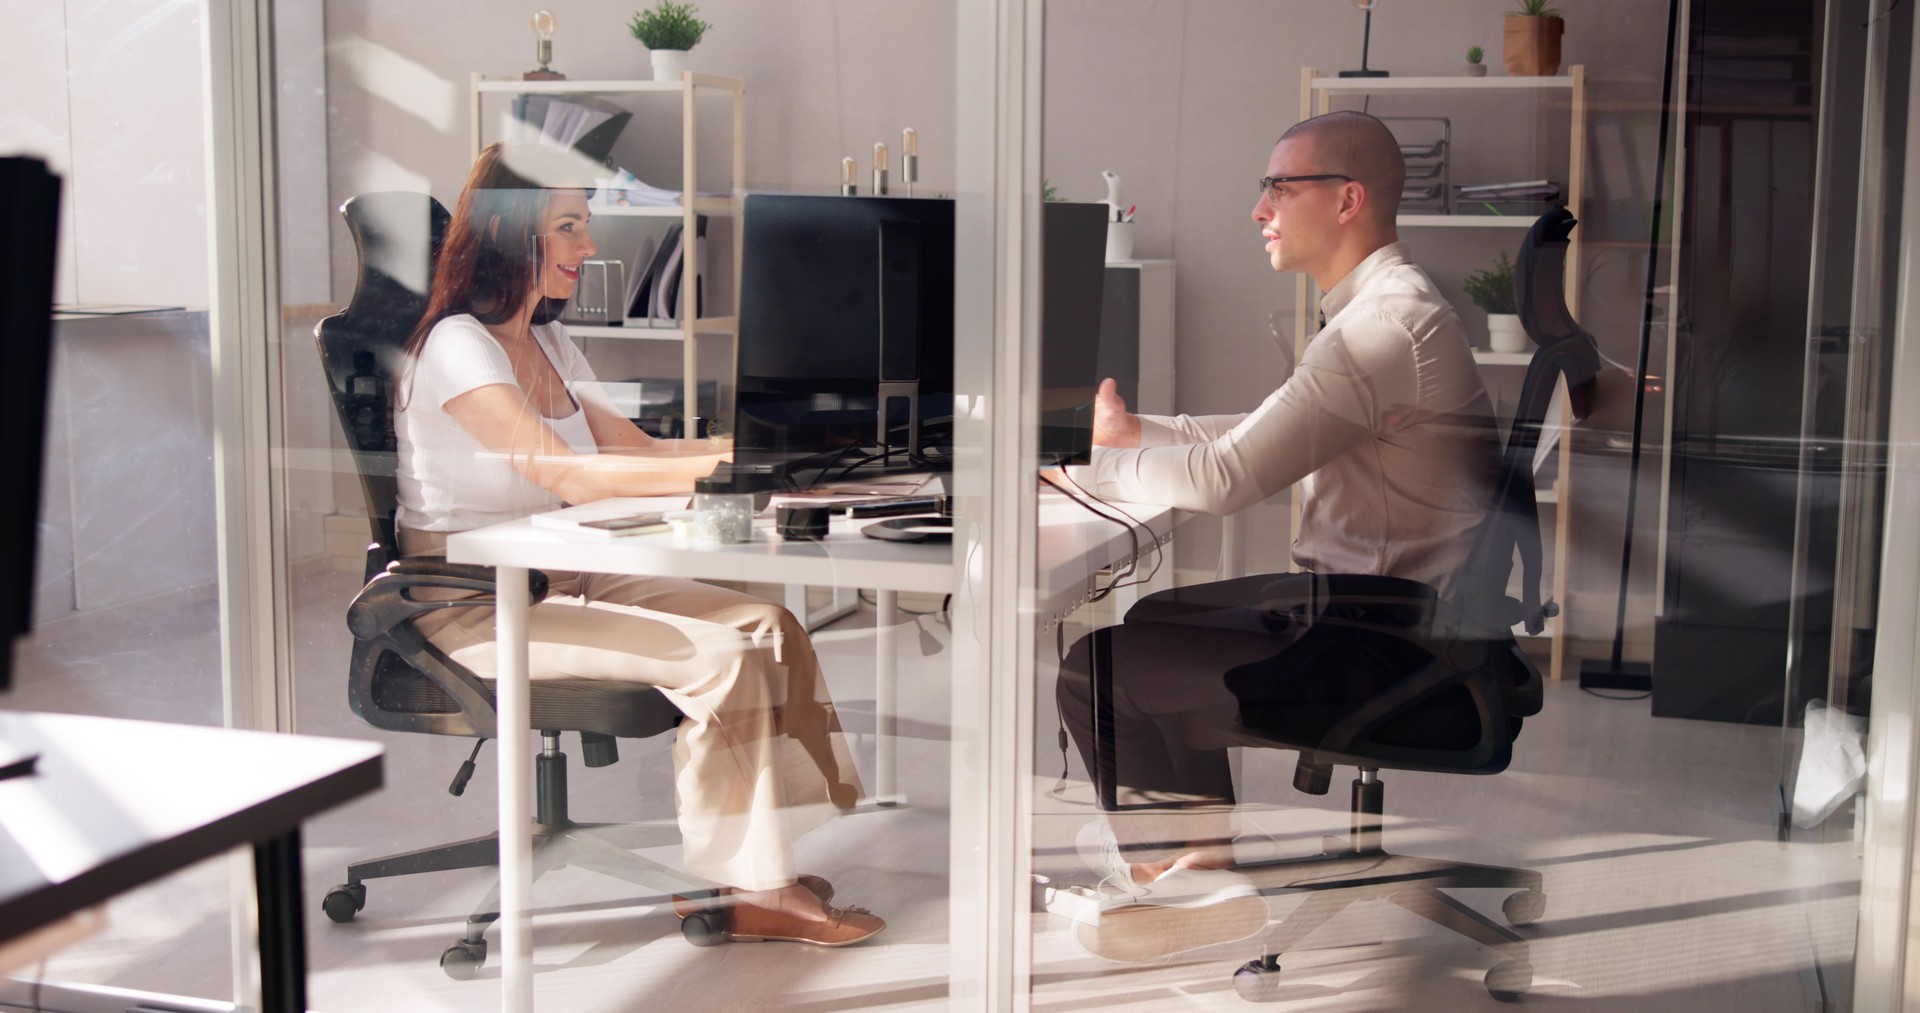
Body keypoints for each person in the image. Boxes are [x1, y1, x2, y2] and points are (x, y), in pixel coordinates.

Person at [394, 142, 883, 947]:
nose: (588, 248)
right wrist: (739, 474)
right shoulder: (458, 345)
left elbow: (643, 451)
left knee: (768, 625)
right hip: (473, 606)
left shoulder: (550, 343)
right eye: (569, 228)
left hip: (564, 575)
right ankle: (752, 885)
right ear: (514, 235)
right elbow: (576, 476)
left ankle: (755, 866)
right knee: (721, 656)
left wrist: (778, 456)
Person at [1054, 112, 1502, 902]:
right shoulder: (1383, 308)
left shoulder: (1383, 327)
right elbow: (1266, 428)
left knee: (1097, 668)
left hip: (1387, 638)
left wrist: (1098, 469)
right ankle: (1201, 866)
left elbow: (1230, 477)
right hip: (1390, 611)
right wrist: (1132, 436)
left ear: (1347, 199)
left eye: (1278, 188)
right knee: (1155, 621)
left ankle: (1179, 885)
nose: (1259, 210)